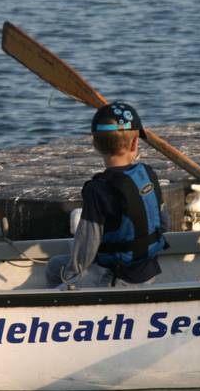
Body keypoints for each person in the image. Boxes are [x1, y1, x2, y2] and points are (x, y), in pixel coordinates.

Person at [46, 102, 169, 289]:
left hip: (114, 277)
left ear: (95, 144)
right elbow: (163, 223)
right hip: (148, 269)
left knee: (54, 269)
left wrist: (71, 277)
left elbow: (87, 244)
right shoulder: (148, 174)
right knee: (56, 265)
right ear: (136, 142)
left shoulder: (98, 189)